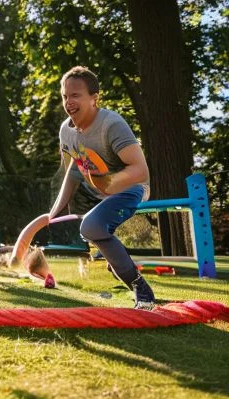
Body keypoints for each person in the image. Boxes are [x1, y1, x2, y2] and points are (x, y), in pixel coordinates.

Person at [48, 66, 155, 310]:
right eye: (65, 96)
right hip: (102, 193)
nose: (69, 102)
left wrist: (107, 186)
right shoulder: (66, 131)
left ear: (94, 98)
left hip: (132, 187)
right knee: (93, 229)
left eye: (75, 95)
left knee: (91, 226)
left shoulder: (112, 124)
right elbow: (73, 171)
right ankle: (117, 260)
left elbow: (140, 170)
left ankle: (140, 286)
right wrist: (54, 211)